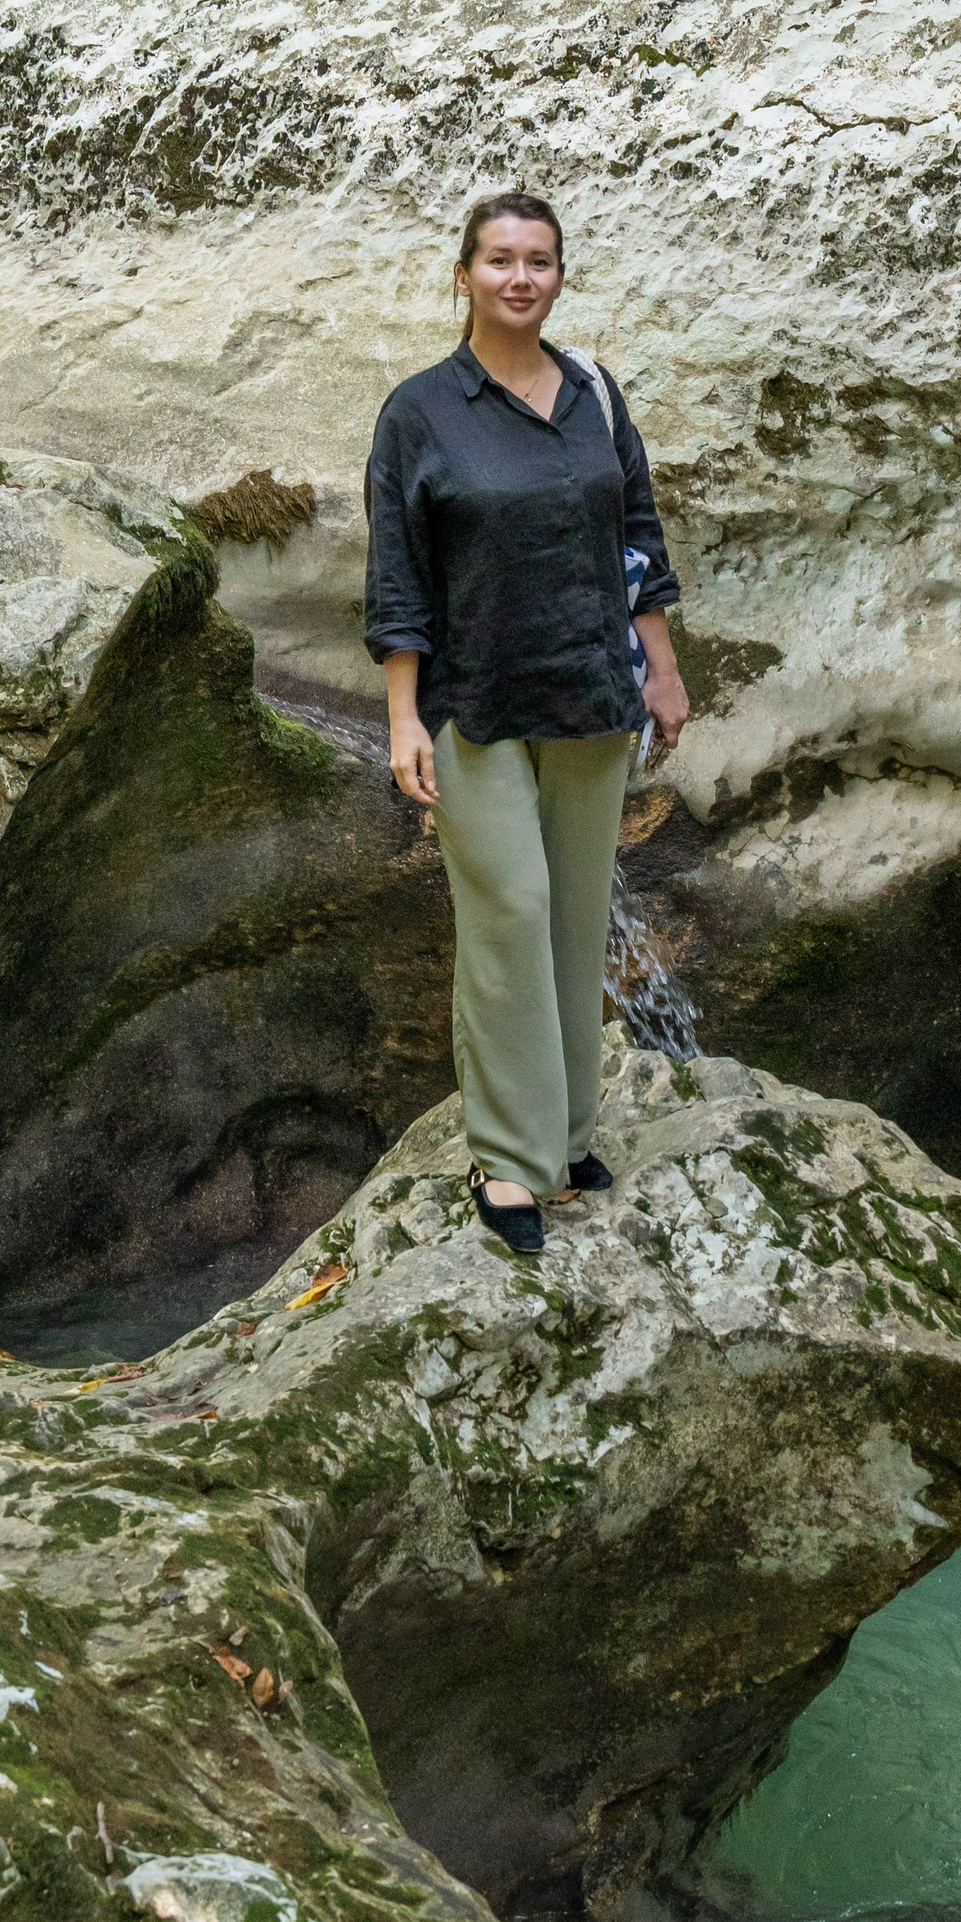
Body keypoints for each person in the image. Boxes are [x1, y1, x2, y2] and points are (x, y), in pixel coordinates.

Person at [363, 191, 689, 1255]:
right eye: (498, 259)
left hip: (591, 696)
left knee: (573, 913)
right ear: (461, 274)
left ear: (559, 276)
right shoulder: (419, 411)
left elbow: (635, 531)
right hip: (475, 705)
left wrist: (664, 668)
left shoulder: (593, 390)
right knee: (509, 910)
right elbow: (398, 574)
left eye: (538, 261)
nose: (519, 278)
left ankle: (568, 1136)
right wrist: (403, 716)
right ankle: (509, 1159)